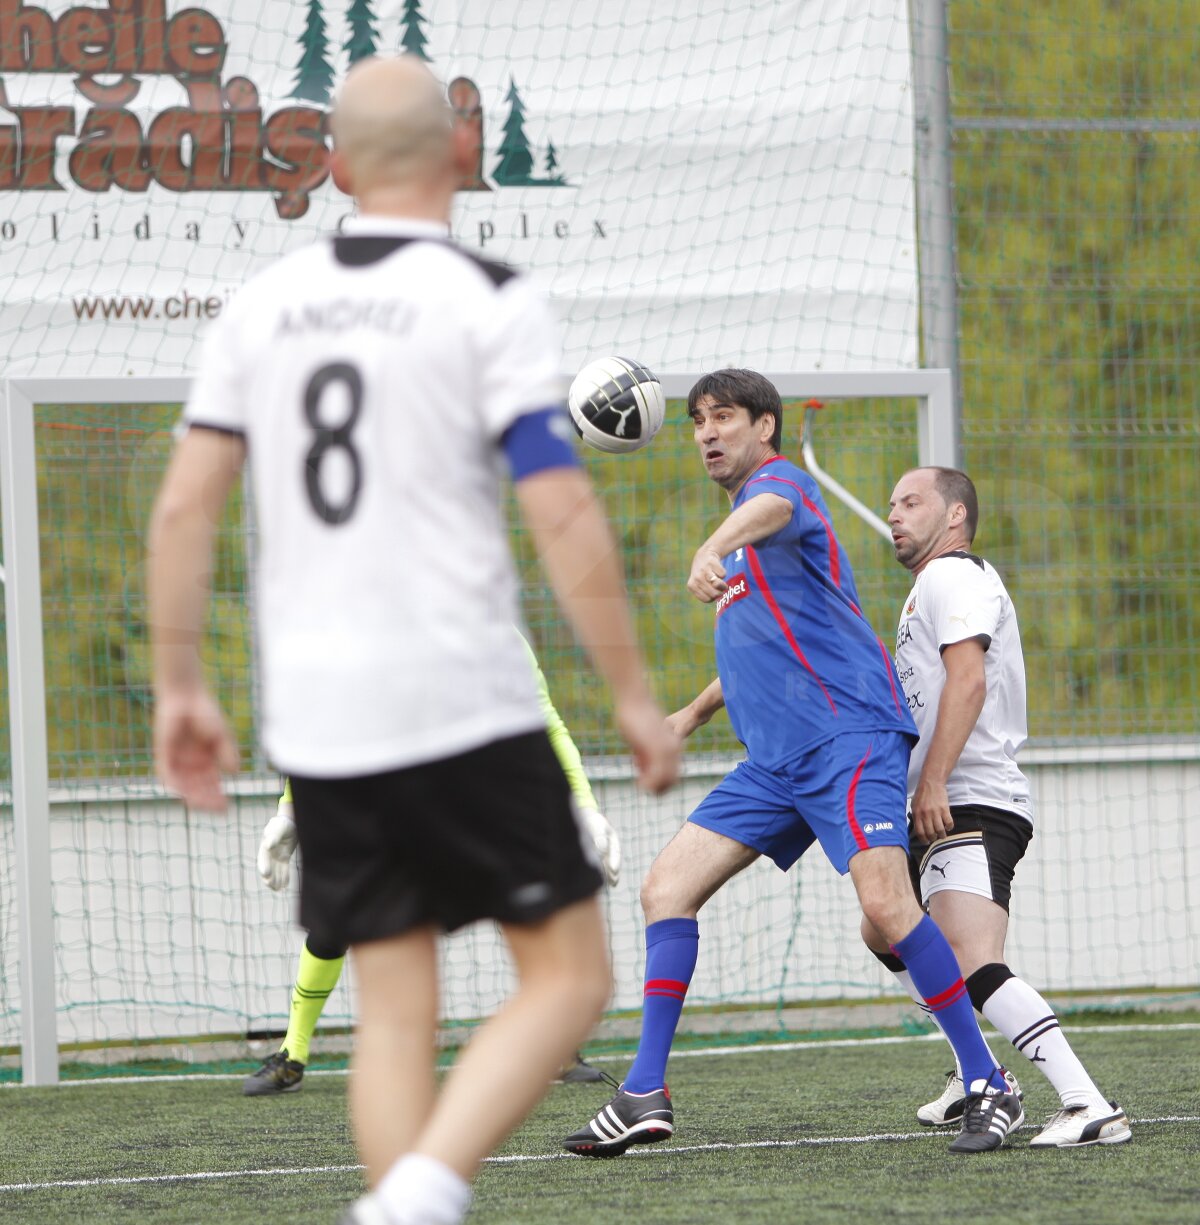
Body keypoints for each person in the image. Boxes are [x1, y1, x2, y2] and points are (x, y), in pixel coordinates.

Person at [148, 55, 679, 1225]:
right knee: (572, 976)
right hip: (458, 690)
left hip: (322, 714)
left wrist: (178, 683)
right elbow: (559, 507)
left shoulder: (260, 307)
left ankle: (401, 1203)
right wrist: (634, 696)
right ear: (458, 158)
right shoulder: (486, 295)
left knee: (395, 1012)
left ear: (331, 165)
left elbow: (185, 506)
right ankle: (418, 1199)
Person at [563, 369, 1020, 1160]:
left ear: (764, 427)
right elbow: (760, 643)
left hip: (847, 736)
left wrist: (711, 542)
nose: (708, 431)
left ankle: (989, 1081)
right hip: (775, 760)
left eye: (726, 416)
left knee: (885, 904)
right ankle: (644, 1090)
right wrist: (693, 713)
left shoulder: (779, 489)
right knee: (664, 887)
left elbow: (771, 506)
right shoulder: (748, 543)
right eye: (699, 420)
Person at [861, 466, 1131, 1148]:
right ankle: (970, 1067)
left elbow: (970, 678)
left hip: (971, 797)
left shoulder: (954, 575)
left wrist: (935, 781)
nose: (894, 513)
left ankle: (1085, 1101)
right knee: (883, 927)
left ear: (955, 515)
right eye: (891, 504)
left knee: (973, 955)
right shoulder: (929, 587)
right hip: (944, 799)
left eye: (912, 501)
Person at [244, 633, 620, 1095]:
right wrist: (290, 811)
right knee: (338, 925)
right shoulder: (361, 633)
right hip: (383, 797)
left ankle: (555, 1048)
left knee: (530, 904)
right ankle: (293, 1052)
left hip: (475, 792)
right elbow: (327, 729)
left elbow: (545, 723)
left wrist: (584, 806)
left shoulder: (497, 632)